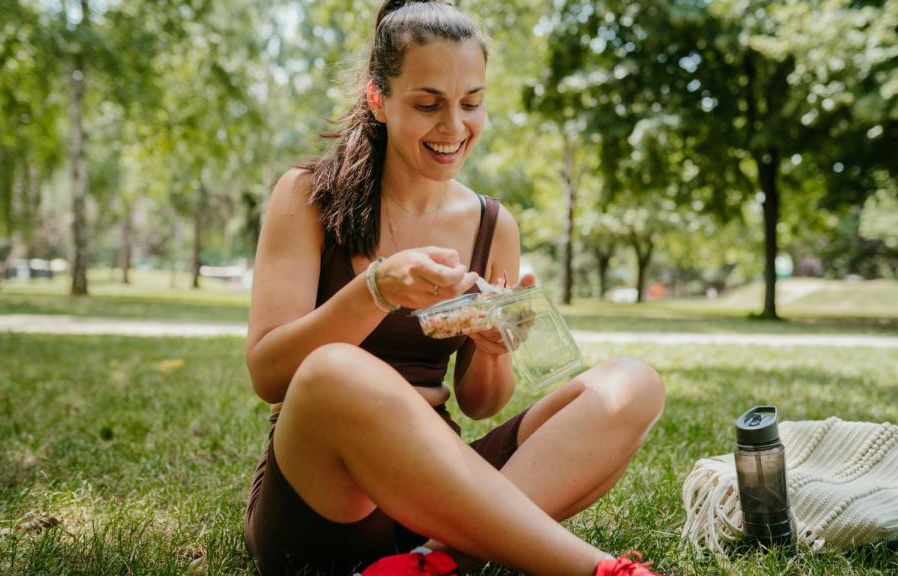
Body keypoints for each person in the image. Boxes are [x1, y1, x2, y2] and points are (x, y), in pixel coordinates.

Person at [242, 1, 666, 574]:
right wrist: (376, 290)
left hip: (439, 488)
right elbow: (269, 373)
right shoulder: (306, 196)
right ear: (378, 99)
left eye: (471, 103)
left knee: (631, 385)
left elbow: (480, 402)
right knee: (333, 370)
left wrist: (495, 348)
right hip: (328, 499)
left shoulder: (495, 225)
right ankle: (597, 570)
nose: (453, 127)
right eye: (427, 104)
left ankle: (433, 563)